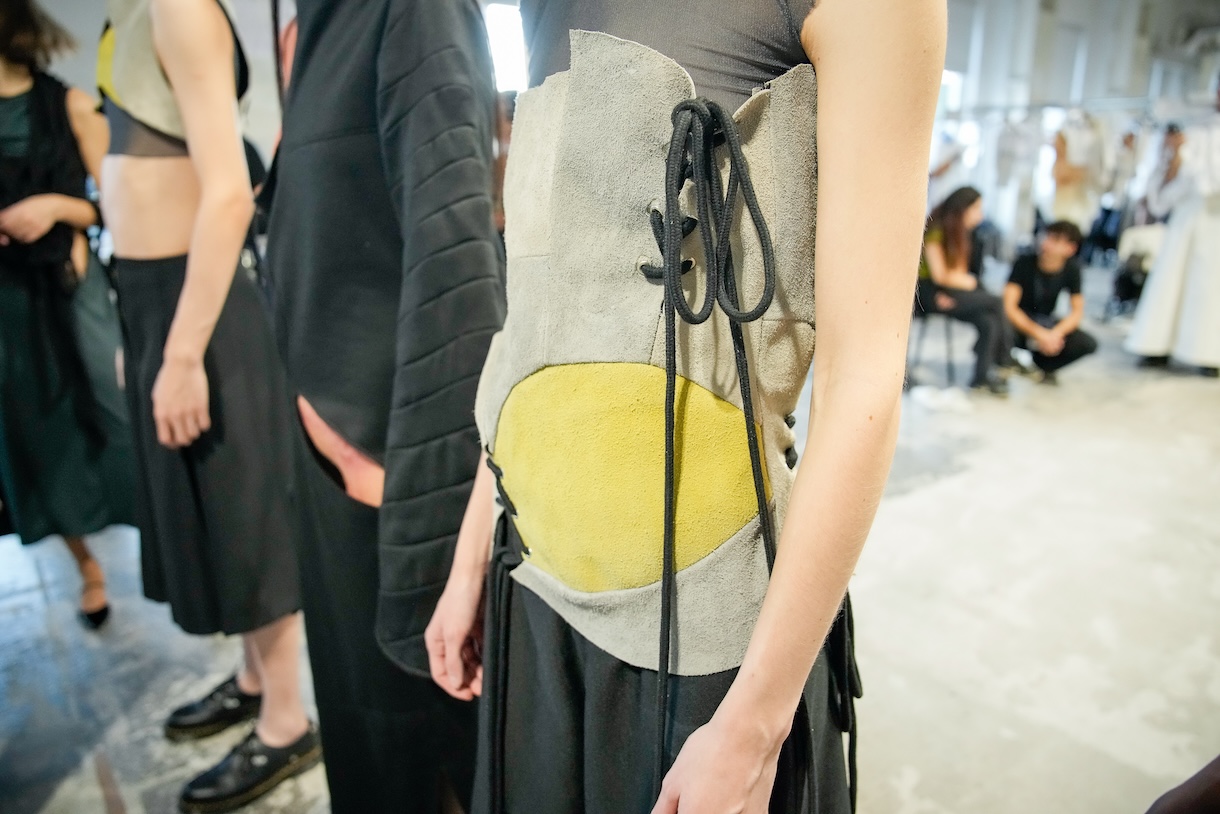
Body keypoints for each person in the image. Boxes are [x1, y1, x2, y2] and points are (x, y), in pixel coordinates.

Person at [426, 1, 946, 812]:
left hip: (707, 651)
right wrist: (467, 565)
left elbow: (863, 382)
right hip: (530, 591)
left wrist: (756, 725)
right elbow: (530, 331)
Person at [262, 0, 503, 810]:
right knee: (363, 751)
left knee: (414, 757)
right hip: (338, 467)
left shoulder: (412, 11)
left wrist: (422, 521)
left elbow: (456, 271)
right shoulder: (318, 21)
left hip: (390, 486)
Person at [98, 1, 317, 810]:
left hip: (204, 301)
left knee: (243, 519)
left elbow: (230, 193)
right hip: (159, 294)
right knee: (216, 517)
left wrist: (184, 349)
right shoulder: (143, 13)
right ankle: (256, 680)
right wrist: (148, 328)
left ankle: (288, 723)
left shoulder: (182, 8)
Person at [0, 0, 132, 629]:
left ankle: (153, 529)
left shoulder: (71, 105)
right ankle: (87, 566)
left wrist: (56, 206)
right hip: (7, 301)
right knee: (33, 431)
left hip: (70, 284)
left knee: (113, 408)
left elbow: (116, 206)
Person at [1124, 97, 1220, 377]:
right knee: (1171, 280)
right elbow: (1161, 196)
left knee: (1209, 288)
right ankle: (1156, 346)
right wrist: (1175, 160)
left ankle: (1207, 352)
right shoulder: (1191, 130)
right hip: (1186, 217)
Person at [920, 186, 1013, 394]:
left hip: (950, 291)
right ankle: (1005, 358)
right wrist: (970, 284)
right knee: (995, 301)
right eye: (976, 208)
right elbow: (941, 275)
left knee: (988, 321)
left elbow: (958, 273)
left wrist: (966, 284)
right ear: (963, 208)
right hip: (929, 294)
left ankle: (981, 378)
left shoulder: (961, 234)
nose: (980, 214)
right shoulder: (935, 231)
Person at [1003, 221, 1097, 384]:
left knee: (1087, 343)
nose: (1047, 243)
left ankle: (1045, 368)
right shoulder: (1024, 262)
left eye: (1055, 240)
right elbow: (1009, 306)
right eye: (1046, 237)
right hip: (1021, 321)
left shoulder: (1072, 269)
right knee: (998, 326)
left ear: (1071, 248)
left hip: (1046, 320)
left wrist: (1055, 334)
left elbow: (1077, 311)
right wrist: (1039, 334)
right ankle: (1002, 366)